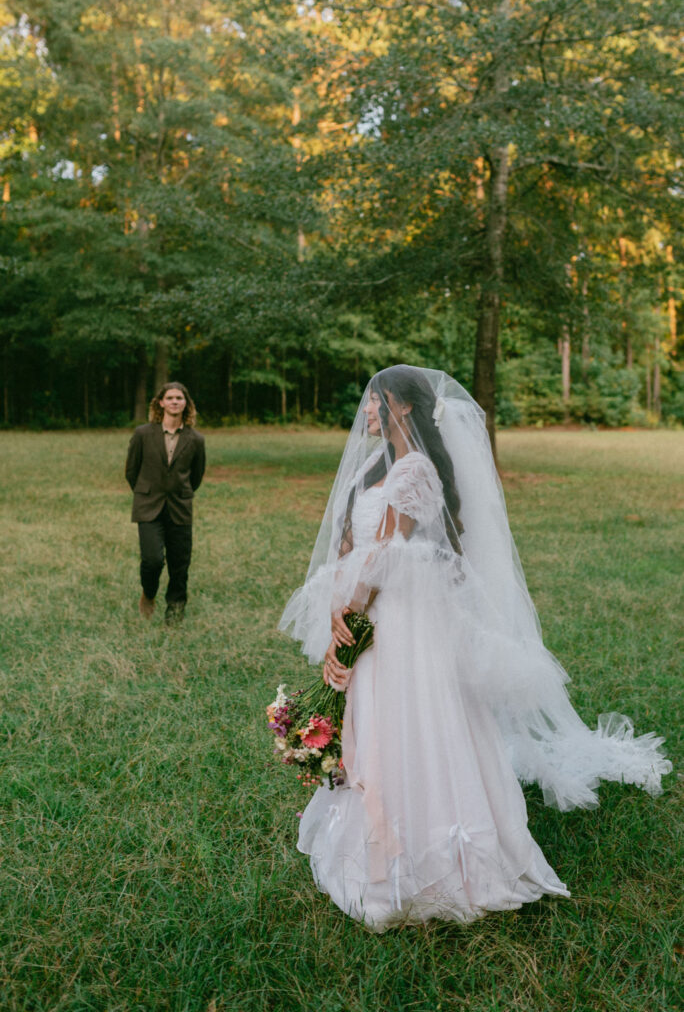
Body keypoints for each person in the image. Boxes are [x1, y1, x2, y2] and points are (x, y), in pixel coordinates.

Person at [279, 365, 671, 932]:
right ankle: (374, 838)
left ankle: (431, 856)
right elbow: (352, 542)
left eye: (374, 402)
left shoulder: (415, 471)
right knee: (374, 723)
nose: (364, 411)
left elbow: (390, 553)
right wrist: (338, 605)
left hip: (402, 622)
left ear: (404, 407)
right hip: (370, 612)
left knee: (414, 723)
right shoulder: (372, 465)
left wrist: (351, 609)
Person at [125, 381, 206, 624]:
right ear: (161, 402)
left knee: (180, 565)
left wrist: (181, 493)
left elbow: (196, 475)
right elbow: (132, 470)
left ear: (186, 404)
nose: (174, 402)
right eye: (169, 397)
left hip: (180, 509)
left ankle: (174, 615)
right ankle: (148, 594)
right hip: (148, 507)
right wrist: (146, 493)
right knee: (152, 560)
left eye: (179, 398)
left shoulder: (196, 440)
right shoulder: (143, 434)